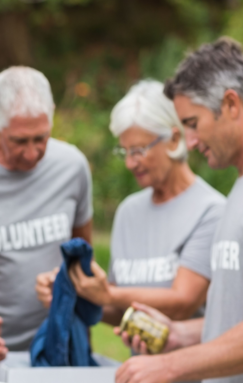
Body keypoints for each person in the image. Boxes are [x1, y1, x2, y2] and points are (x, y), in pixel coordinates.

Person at [36, 80, 225, 327]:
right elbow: (119, 311)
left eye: (138, 150)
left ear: (173, 138)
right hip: (139, 366)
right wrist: (73, 292)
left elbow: (183, 303)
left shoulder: (211, 211)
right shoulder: (128, 211)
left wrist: (111, 294)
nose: (129, 163)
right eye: (124, 151)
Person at [0, 66, 94, 370]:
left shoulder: (73, 167)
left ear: (52, 115)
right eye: (19, 141)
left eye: (41, 138)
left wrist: (67, 281)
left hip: (57, 352)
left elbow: (84, 257)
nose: (31, 153)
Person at [115, 37, 243, 383]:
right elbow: (231, 320)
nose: (189, 142)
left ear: (231, 104)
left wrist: (172, 365)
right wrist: (180, 336)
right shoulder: (236, 192)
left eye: (192, 123)